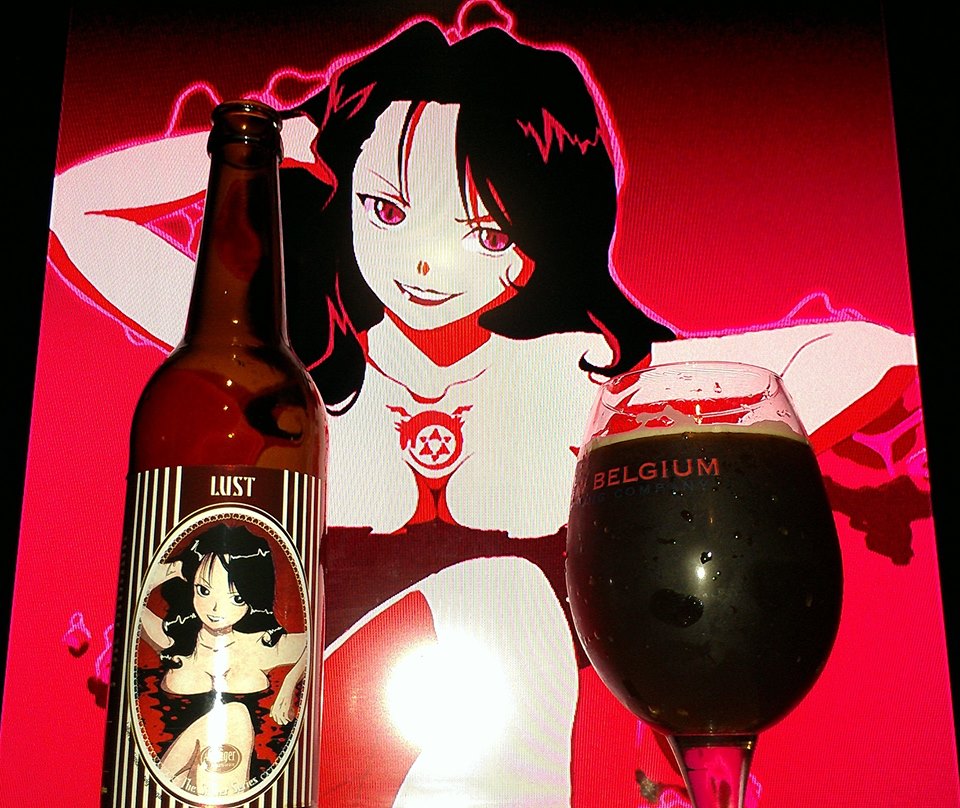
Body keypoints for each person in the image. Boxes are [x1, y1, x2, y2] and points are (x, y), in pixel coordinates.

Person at [49, 4, 919, 805]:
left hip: (511, 762)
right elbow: (78, 210)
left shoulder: (592, 383)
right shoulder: (292, 374)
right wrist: (300, 132)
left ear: (548, 234)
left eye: (489, 231)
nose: (426, 265)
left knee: (508, 606)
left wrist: (682, 404)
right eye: (386, 207)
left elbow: (867, 352)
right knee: (505, 603)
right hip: (279, 761)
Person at [135, 523, 307, 797]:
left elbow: (313, 642)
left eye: (236, 597)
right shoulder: (171, 640)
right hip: (167, 784)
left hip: (238, 786)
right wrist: (180, 566)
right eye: (204, 590)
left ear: (252, 596)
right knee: (233, 715)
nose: (216, 608)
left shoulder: (262, 644)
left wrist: (289, 684)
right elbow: (132, 593)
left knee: (234, 716)